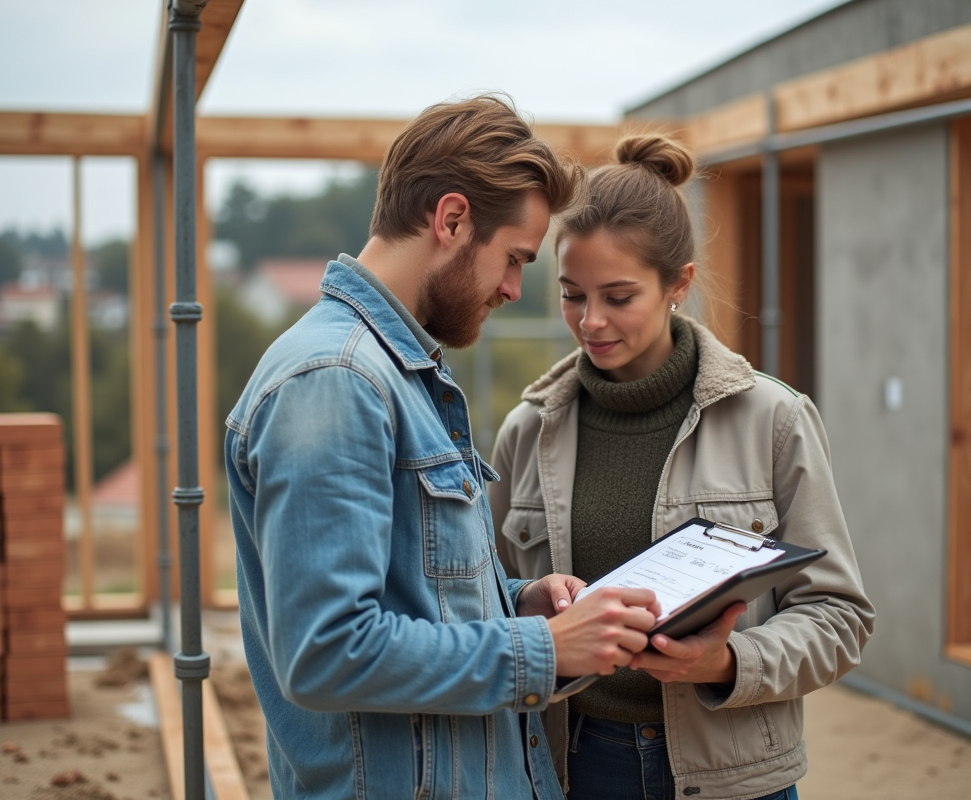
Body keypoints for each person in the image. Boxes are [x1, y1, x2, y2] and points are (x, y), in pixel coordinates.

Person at [225, 96, 662, 800]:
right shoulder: (336, 380)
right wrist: (544, 649)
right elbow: (327, 653)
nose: (514, 289)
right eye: (514, 259)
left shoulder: (398, 373)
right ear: (452, 219)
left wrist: (519, 604)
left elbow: (412, 594)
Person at [490, 134, 876, 800]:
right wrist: (529, 603)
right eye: (572, 295)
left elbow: (839, 618)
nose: (591, 321)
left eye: (618, 297)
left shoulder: (774, 420)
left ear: (680, 284)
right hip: (570, 767)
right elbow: (482, 603)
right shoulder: (527, 431)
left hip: (733, 775)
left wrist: (727, 662)